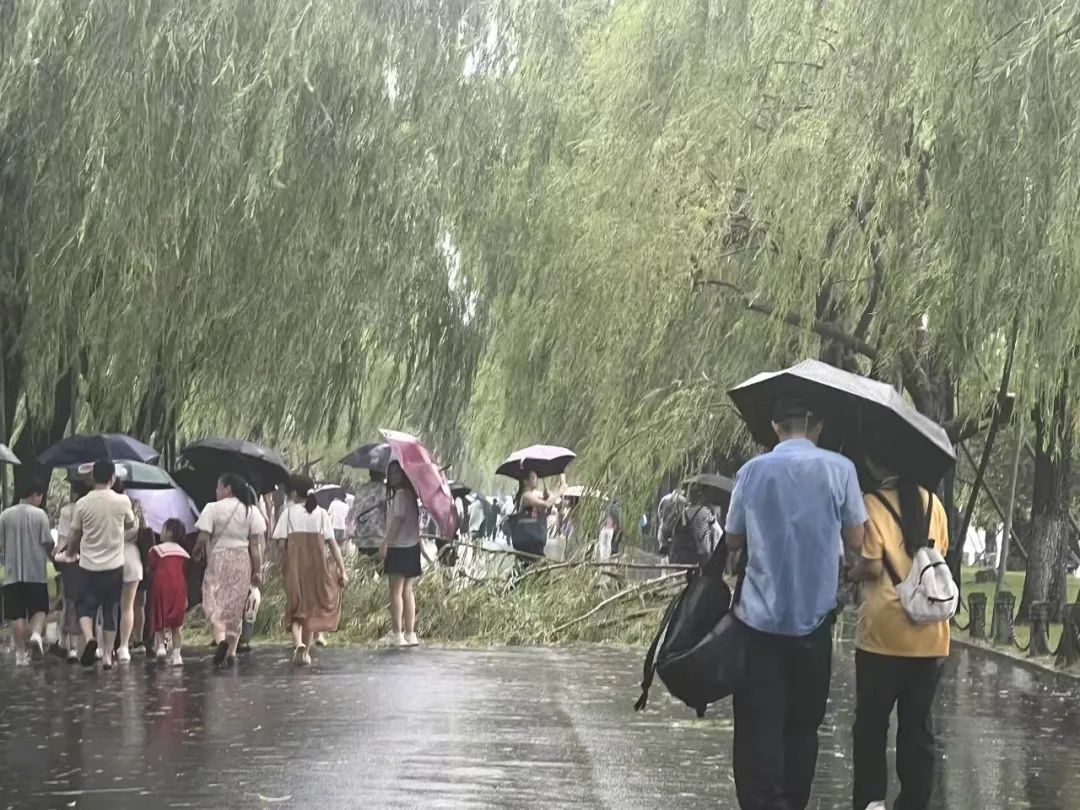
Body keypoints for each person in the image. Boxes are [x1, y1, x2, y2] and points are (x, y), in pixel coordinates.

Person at [724, 397, 867, 809]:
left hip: (757, 621)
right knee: (803, 726)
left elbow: (733, 540)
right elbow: (857, 542)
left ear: (774, 426)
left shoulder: (751, 472)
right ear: (817, 426)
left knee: (756, 725)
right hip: (815, 621)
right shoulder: (841, 470)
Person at [848, 457, 950, 810]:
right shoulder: (934, 503)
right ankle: (914, 803)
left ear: (876, 464)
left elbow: (873, 566)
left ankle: (870, 802)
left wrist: (851, 571)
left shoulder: (871, 503)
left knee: (871, 727)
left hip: (882, 636)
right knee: (918, 730)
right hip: (931, 635)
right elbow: (939, 554)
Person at [193, 473, 266, 668]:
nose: (216, 491)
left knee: (213, 601)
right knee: (234, 608)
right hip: (242, 560)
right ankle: (232, 652)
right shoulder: (250, 511)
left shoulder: (212, 509)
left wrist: (196, 552)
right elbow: (255, 547)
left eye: (219, 487)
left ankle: (220, 641)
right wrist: (257, 571)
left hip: (219, 559)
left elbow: (202, 538)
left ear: (228, 488)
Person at [69, 460, 136, 669]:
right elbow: (131, 523)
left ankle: (90, 638)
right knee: (111, 609)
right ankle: (108, 656)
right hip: (114, 565)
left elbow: (75, 534)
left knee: (84, 607)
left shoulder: (82, 503)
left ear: (92, 478)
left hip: (89, 565)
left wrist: (71, 552)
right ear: (113, 478)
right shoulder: (123, 501)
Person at [274, 474, 348, 666]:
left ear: (293, 493)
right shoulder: (322, 514)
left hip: (295, 567)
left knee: (296, 607)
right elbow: (333, 545)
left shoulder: (288, 513)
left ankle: (298, 643)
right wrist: (342, 569)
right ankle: (305, 651)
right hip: (317, 568)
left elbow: (281, 545)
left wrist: (280, 565)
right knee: (312, 609)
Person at [0, 480, 55, 665]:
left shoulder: (5, 515)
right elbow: (48, 541)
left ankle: (20, 655)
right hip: (35, 572)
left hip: (12, 573)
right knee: (39, 609)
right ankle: (36, 634)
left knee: (17, 615)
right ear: (35, 495)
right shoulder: (40, 515)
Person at [379, 460, 423, 647]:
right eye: (391, 473)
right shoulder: (411, 495)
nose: (393, 476)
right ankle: (410, 633)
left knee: (395, 592)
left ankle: (397, 633)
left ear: (404, 474)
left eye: (397, 472)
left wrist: (385, 543)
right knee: (407, 591)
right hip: (412, 546)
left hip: (399, 547)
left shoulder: (400, 495)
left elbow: (397, 520)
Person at [147, 518, 190, 666]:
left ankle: (160, 647)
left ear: (169, 532)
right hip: (179, 588)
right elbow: (184, 572)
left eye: (163, 529)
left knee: (160, 616)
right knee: (176, 625)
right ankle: (177, 655)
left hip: (160, 586)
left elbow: (151, 566)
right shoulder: (183, 552)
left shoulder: (157, 550)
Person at [54, 482, 89, 662]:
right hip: (92, 561)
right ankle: (95, 644)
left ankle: (69, 646)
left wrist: (60, 557)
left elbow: (62, 539)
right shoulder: (92, 508)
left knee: (69, 603)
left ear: (74, 493)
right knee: (91, 603)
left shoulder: (68, 511)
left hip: (71, 562)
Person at [116, 482, 146, 663]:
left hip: (109, 556)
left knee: (108, 606)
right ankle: (128, 645)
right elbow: (143, 528)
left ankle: (106, 646)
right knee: (131, 605)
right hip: (132, 557)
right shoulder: (135, 504)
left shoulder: (107, 505)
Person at [663, 487, 718, 568]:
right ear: (700, 498)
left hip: (688, 551)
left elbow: (678, 527)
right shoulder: (705, 511)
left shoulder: (684, 512)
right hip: (703, 549)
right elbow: (713, 524)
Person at [347, 470, 387, 558]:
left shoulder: (361, 489)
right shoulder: (386, 490)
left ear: (370, 474)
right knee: (382, 569)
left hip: (362, 537)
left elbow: (355, 510)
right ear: (384, 475)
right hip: (379, 537)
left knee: (365, 569)